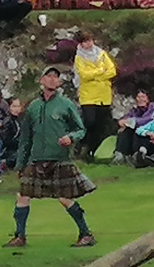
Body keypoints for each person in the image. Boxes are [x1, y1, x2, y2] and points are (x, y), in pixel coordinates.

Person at [8, 67, 96, 248]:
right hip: (36, 158)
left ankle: (86, 234)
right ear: (41, 80)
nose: (52, 80)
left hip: (59, 158)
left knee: (65, 198)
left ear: (59, 83)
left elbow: (80, 129)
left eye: (55, 77)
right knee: (23, 196)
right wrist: (21, 165)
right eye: (49, 76)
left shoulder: (66, 105)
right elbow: (25, 138)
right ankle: (20, 236)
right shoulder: (33, 107)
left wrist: (70, 138)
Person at [72, 32, 117, 162]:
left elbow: (112, 71)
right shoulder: (79, 58)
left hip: (103, 95)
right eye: (85, 41)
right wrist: (100, 72)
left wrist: (95, 76)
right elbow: (84, 75)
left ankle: (91, 151)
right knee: (89, 121)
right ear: (81, 44)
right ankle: (82, 142)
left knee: (100, 125)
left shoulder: (101, 54)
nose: (89, 44)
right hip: (88, 95)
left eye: (90, 40)